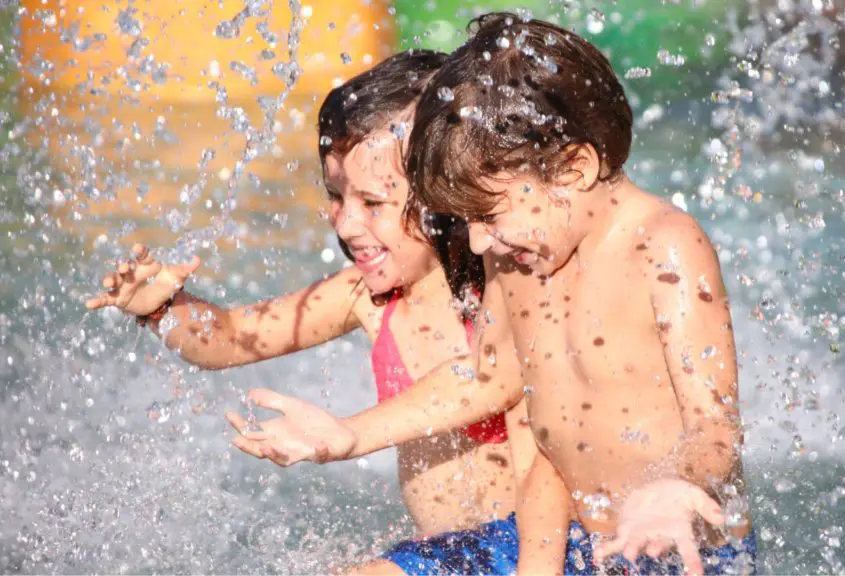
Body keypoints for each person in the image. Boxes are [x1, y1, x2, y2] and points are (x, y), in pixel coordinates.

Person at [231, 13, 758, 575]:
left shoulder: (664, 247)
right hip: (562, 533)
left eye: (488, 214)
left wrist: (677, 485)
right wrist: (348, 434)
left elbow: (716, 430)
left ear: (574, 167)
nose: (478, 240)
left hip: (671, 544)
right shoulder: (521, 251)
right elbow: (496, 391)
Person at [83, 50, 532, 548]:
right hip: (444, 553)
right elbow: (231, 338)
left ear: (446, 190)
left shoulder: (507, 284)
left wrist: (345, 432)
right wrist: (164, 308)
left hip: (532, 547)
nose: (345, 223)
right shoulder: (365, 297)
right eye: (337, 197)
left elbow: (482, 381)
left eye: (373, 203)